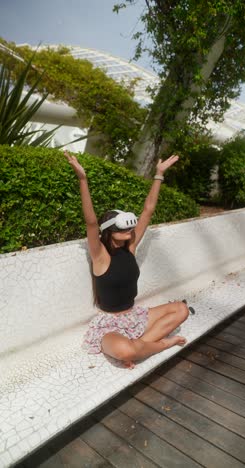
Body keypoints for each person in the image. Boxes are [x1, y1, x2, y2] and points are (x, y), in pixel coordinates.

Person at [65, 151, 189, 368]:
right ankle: (161, 345)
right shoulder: (100, 255)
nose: (130, 232)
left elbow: (148, 211)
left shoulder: (130, 247)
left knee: (181, 309)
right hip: (110, 325)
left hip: (135, 316)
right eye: (123, 229)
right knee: (124, 351)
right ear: (109, 232)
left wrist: (159, 174)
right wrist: (82, 179)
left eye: (131, 228)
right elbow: (91, 222)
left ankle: (140, 346)